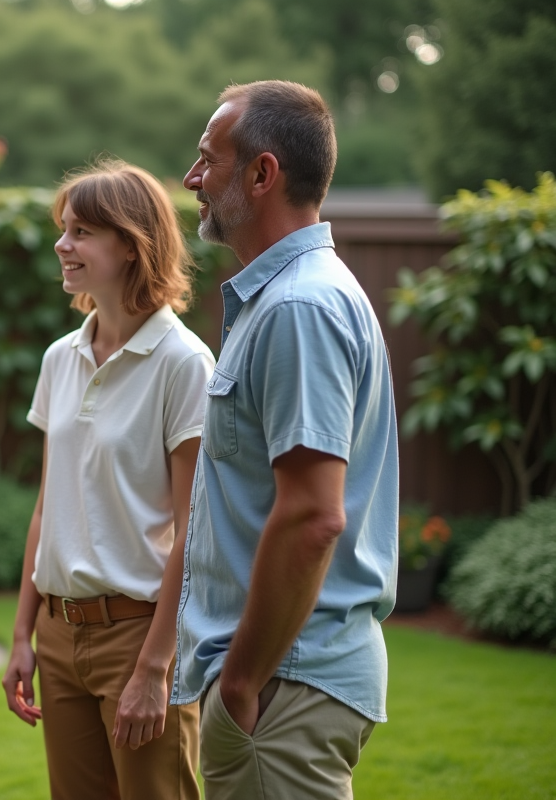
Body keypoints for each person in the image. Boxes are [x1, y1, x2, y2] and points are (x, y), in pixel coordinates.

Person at [172, 80, 399, 799]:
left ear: (262, 174)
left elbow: (312, 515)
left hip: (280, 687)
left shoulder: (299, 307)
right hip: (282, 683)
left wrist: (241, 683)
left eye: (208, 158)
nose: (193, 178)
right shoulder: (289, 297)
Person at [1, 158, 213, 800]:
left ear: (130, 244)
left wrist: (155, 667)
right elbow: (50, 506)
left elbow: (195, 533)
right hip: (58, 634)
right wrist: (23, 635)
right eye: (63, 230)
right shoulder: (59, 358)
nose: (62, 245)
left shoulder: (184, 363)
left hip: (139, 635)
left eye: (82, 232)